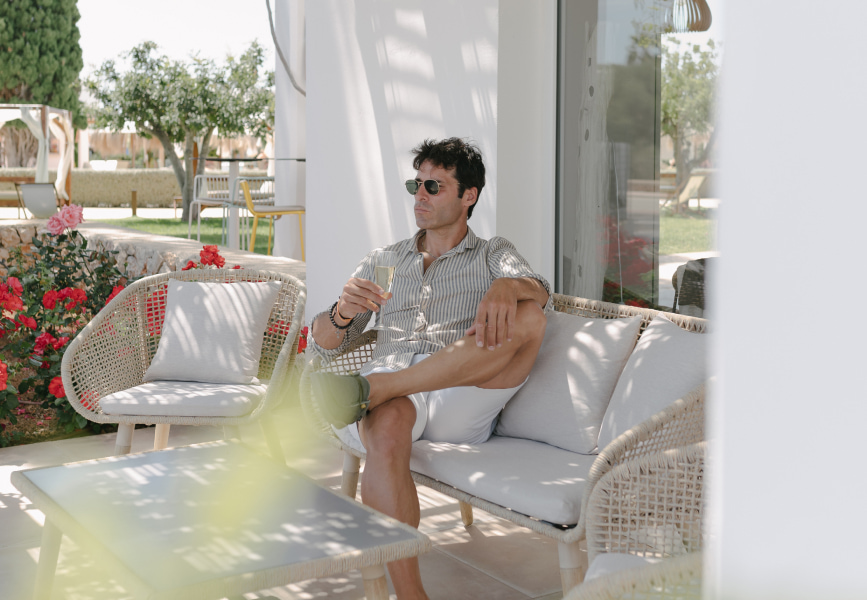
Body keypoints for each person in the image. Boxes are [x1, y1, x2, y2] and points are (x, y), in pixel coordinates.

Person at [309, 137, 551, 600]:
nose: (419, 196)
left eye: (434, 186)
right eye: (415, 184)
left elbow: (540, 293)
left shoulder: (492, 253)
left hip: (465, 388)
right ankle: (410, 595)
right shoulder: (386, 261)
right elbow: (325, 344)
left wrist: (508, 284)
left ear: (469, 196)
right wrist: (340, 314)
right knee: (389, 425)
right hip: (402, 398)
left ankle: (375, 389)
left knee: (529, 315)